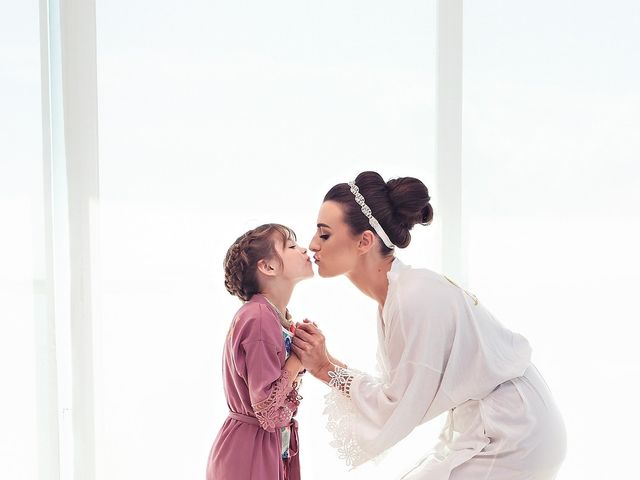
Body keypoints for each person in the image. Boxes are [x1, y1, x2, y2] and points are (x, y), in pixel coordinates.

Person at [292, 171, 567, 479]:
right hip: (494, 421)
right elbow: (396, 395)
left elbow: (396, 408)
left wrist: (324, 368)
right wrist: (325, 364)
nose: (312, 245)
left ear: (365, 241)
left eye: (324, 234)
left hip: (515, 431)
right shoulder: (400, 294)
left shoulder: (414, 296)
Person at [206, 223, 313, 480]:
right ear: (268, 266)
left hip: (256, 447)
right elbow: (267, 412)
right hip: (250, 453)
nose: (304, 249)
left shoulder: (271, 316)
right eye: (291, 245)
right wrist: (297, 362)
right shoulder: (260, 317)